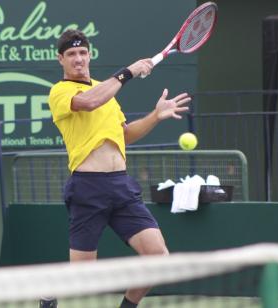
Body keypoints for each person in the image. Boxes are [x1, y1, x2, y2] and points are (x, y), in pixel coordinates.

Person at [42, 30, 191, 308]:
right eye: (71, 54)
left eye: (83, 53)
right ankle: (50, 292)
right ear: (60, 59)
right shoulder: (60, 92)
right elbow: (89, 102)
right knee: (83, 277)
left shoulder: (107, 91)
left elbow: (124, 135)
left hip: (121, 186)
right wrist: (128, 72)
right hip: (88, 188)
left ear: (90, 55)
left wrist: (155, 117)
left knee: (158, 256)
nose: (78, 59)